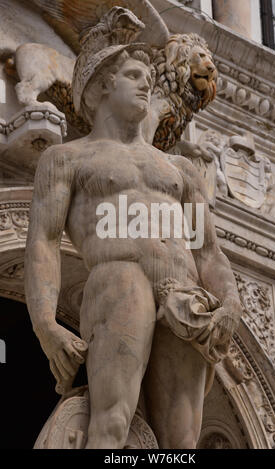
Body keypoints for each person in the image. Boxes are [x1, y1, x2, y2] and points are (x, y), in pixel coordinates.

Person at [25, 18, 242, 449]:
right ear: (101, 85)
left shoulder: (178, 168)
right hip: (119, 281)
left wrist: (231, 302)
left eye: (148, 77)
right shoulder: (67, 158)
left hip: (186, 296)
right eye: (134, 76)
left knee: (181, 447)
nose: (147, 86)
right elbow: (43, 243)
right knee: (110, 426)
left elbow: (208, 251)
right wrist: (46, 324)